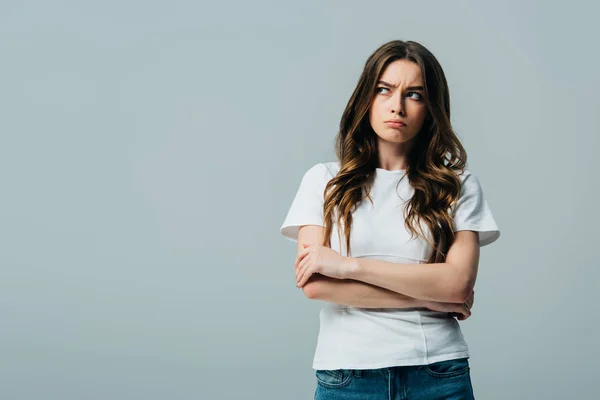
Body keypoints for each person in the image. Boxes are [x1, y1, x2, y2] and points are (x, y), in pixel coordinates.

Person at [279, 40, 500, 399]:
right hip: (347, 376)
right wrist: (432, 298)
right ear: (366, 98)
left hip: (438, 373)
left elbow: (457, 284)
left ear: (431, 108)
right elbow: (316, 285)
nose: (397, 106)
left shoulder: (458, 185)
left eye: (414, 94)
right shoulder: (323, 181)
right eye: (384, 90)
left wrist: (349, 267)